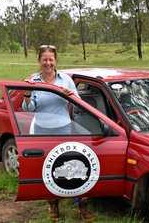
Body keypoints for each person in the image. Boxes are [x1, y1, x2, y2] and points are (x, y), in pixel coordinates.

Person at [22, 45, 94, 222]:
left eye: (51, 59)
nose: (48, 63)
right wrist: (27, 96)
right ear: (39, 61)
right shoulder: (33, 80)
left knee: (72, 166)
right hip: (42, 131)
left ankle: (81, 205)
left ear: (55, 60)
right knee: (49, 169)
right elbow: (29, 109)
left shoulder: (66, 79)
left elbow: (78, 105)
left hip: (64, 130)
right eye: (44, 59)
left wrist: (72, 96)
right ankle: (53, 205)